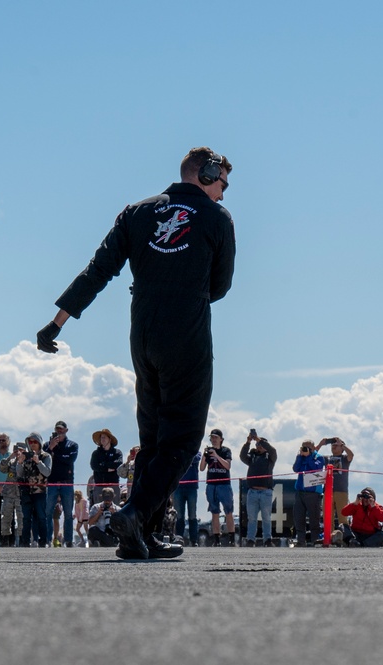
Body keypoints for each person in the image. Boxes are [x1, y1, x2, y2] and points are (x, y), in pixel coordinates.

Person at [37, 147, 235, 560]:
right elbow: (220, 287)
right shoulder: (218, 219)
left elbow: (99, 269)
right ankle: (135, 514)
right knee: (181, 439)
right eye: (222, 184)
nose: (223, 193)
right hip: (186, 333)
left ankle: (137, 536)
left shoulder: (136, 213)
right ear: (208, 174)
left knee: (152, 441)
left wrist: (57, 322)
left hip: (142, 335)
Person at [43, 421, 78, 547]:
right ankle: (47, 539)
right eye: (57, 430)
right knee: (48, 512)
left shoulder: (72, 445)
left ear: (66, 430)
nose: (59, 432)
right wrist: (51, 448)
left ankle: (68, 540)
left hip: (67, 483)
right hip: (52, 483)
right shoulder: (47, 445)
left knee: (68, 513)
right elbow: (43, 459)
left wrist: (55, 454)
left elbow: (69, 460)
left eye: (62, 430)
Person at [240, 432, 277, 546]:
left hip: (266, 491)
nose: (259, 446)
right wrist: (248, 442)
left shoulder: (270, 457)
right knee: (252, 518)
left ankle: (267, 539)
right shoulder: (252, 457)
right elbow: (242, 456)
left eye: (261, 444)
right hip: (252, 491)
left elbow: (272, 450)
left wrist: (259, 439)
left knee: (266, 517)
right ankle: (251, 539)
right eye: (257, 444)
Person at [17, 433, 52, 547]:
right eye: (30, 442)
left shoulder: (46, 456)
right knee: (26, 518)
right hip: (26, 492)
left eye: (35, 442)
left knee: (41, 517)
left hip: (40, 491)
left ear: (40, 443)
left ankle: (43, 541)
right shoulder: (26, 456)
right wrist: (20, 462)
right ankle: (25, 542)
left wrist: (38, 462)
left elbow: (47, 472)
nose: (32, 444)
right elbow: (19, 474)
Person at [201, 429, 235, 546]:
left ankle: (231, 538)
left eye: (216, 437)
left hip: (224, 484)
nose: (214, 440)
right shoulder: (208, 451)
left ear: (221, 439)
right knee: (214, 512)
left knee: (228, 511)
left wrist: (216, 455)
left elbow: (227, 466)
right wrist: (205, 456)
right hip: (211, 484)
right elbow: (201, 468)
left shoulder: (226, 451)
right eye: (212, 438)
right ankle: (216, 539)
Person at [317, 437, 354, 530]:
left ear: (342, 448)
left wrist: (342, 444)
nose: (334, 446)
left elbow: (351, 455)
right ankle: (329, 538)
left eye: (336, 445)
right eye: (332, 445)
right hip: (328, 491)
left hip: (341, 491)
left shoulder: (344, 458)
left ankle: (344, 537)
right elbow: (313, 455)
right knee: (327, 517)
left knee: (343, 517)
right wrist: (321, 444)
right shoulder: (326, 458)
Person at [292, 441, 325, 546]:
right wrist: (301, 457)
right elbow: (296, 468)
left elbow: (316, 468)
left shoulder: (319, 457)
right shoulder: (300, 456)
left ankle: (315, 540)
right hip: (300, 491)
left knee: (314, 517)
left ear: (313, 448)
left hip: (313, 492)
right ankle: (301, 540)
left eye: (308, 447)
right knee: (299, 517)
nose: (305, 449)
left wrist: (309, 456)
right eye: (304, 447)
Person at [0, 443, 28, 546]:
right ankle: (5, 539)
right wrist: (11, 456)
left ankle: (21, 540)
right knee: (6, 517)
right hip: (9, 494)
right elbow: (1, 468)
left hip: (21, 495)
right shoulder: (11, 462)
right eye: (17, 450)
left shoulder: (27, 463)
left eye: (21, 450)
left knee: (21, 518)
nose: (19, 452)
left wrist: (22, 460)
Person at [173, 450, 202, 546]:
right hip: (178, 487)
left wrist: (184, 455)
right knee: (179, 516)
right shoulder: (178, 450)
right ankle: (178, 539)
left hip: (192, 488)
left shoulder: (196, 452)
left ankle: (194, 540)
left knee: (192, 515)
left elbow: (196, 459)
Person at [90, 428, 122, 504]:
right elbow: (94, 466)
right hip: (99, 486)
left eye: (104, 437)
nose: (102, 439)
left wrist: (102, 464)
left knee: (114, 511)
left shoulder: (117, 452)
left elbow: (118, 464)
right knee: (98, 511)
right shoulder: (96, 453)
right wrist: (107, 468)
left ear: (110, 439)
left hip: (113, 486)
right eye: (101, 437)